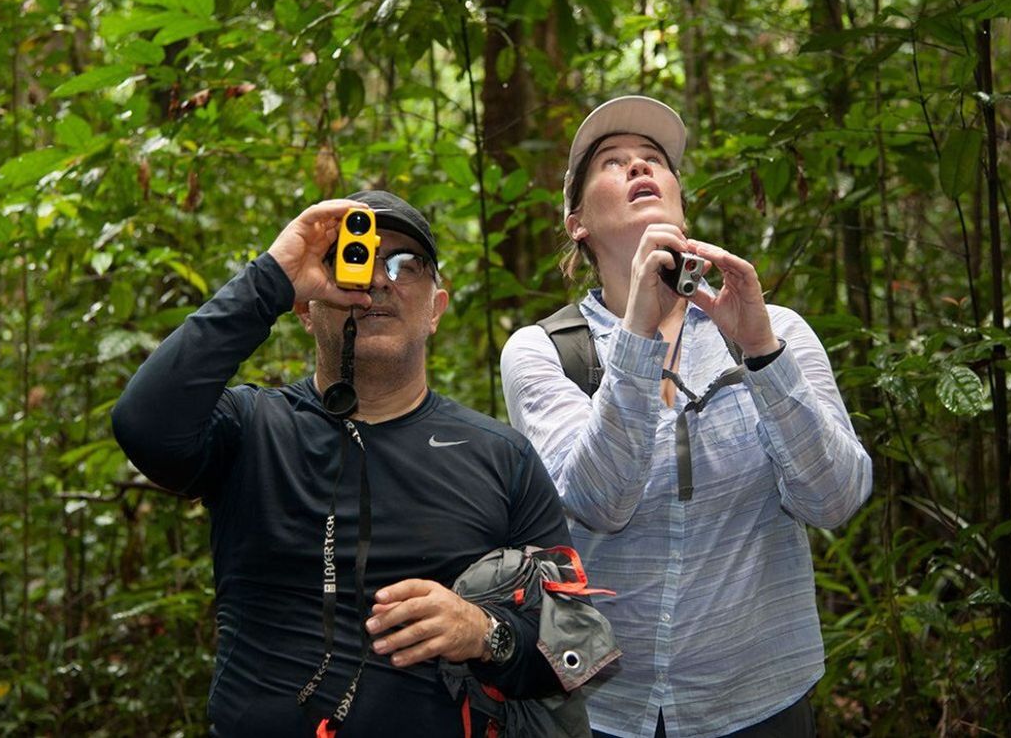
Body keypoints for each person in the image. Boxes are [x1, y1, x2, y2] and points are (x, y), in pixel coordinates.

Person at [112, 190, 577, 737]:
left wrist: (484, 633)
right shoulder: (252, 427)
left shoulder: (501, 456)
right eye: (355, 260)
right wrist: (272, 277)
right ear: (306, 308)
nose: (380, 280)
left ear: (436, 309)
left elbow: (567, 650)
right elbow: (143, 425)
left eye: (407, 264)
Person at [500, 96, 873, 737]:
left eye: (655, 161)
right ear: (577, 222)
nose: (640, 168)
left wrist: (761, 353)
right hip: (608, 709)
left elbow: (835, 500)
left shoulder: (774, 327)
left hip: (762, 698)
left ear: (678, 195)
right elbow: (600, 501)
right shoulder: (543, 351)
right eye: (613, 164)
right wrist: (639, 334)